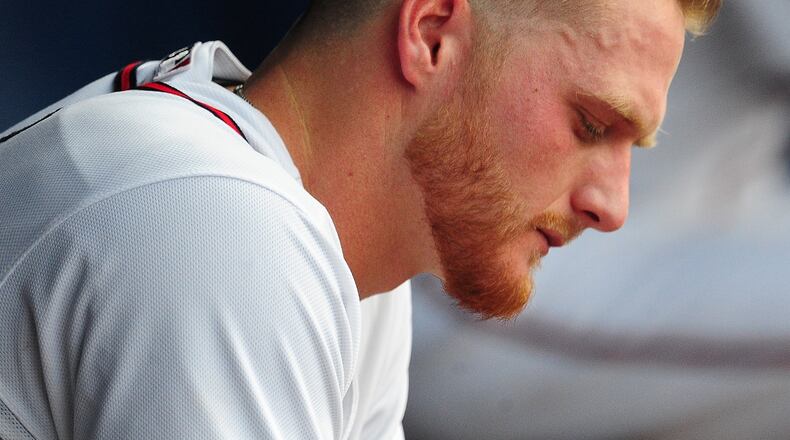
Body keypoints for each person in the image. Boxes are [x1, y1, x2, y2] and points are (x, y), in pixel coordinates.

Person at [0, 0, 720, 438]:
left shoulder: (343, 267)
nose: (613, 207)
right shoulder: (219, 218)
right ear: (432, 33)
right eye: (591, 124)